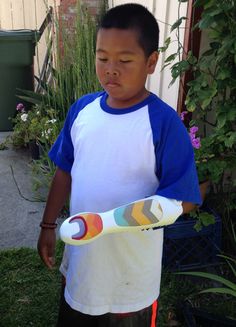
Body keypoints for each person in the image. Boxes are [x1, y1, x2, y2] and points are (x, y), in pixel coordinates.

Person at [37, 3, 202, 326]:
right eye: (102, 58)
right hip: (81, 268)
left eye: (124, 61)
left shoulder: (163, 124)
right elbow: (64, 170)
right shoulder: (82, 111)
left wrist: (113, 221)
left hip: (131, 280)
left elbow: (185, 201)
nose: (111, 69)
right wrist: (46, 227)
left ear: (151, 62)